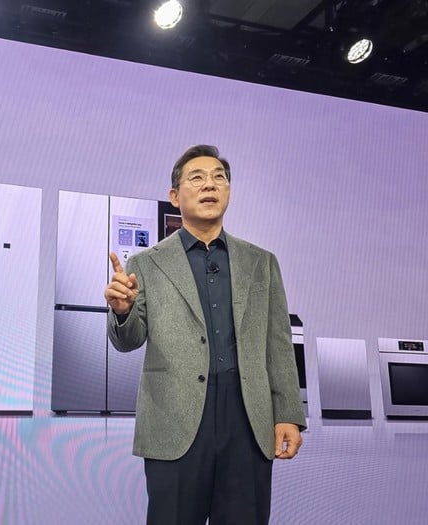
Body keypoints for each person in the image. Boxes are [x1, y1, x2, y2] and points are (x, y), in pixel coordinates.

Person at [105, 145, 306, 525]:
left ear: (228, 191)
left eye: (219, 178)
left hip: (247, 418)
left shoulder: (261, 262)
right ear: (175, 196)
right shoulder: (146, 263)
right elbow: (128, 341)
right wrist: (122, 311)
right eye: (196, 178)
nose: (210, 185)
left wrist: (288, 415)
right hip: (174, 420)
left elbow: (278, 345)